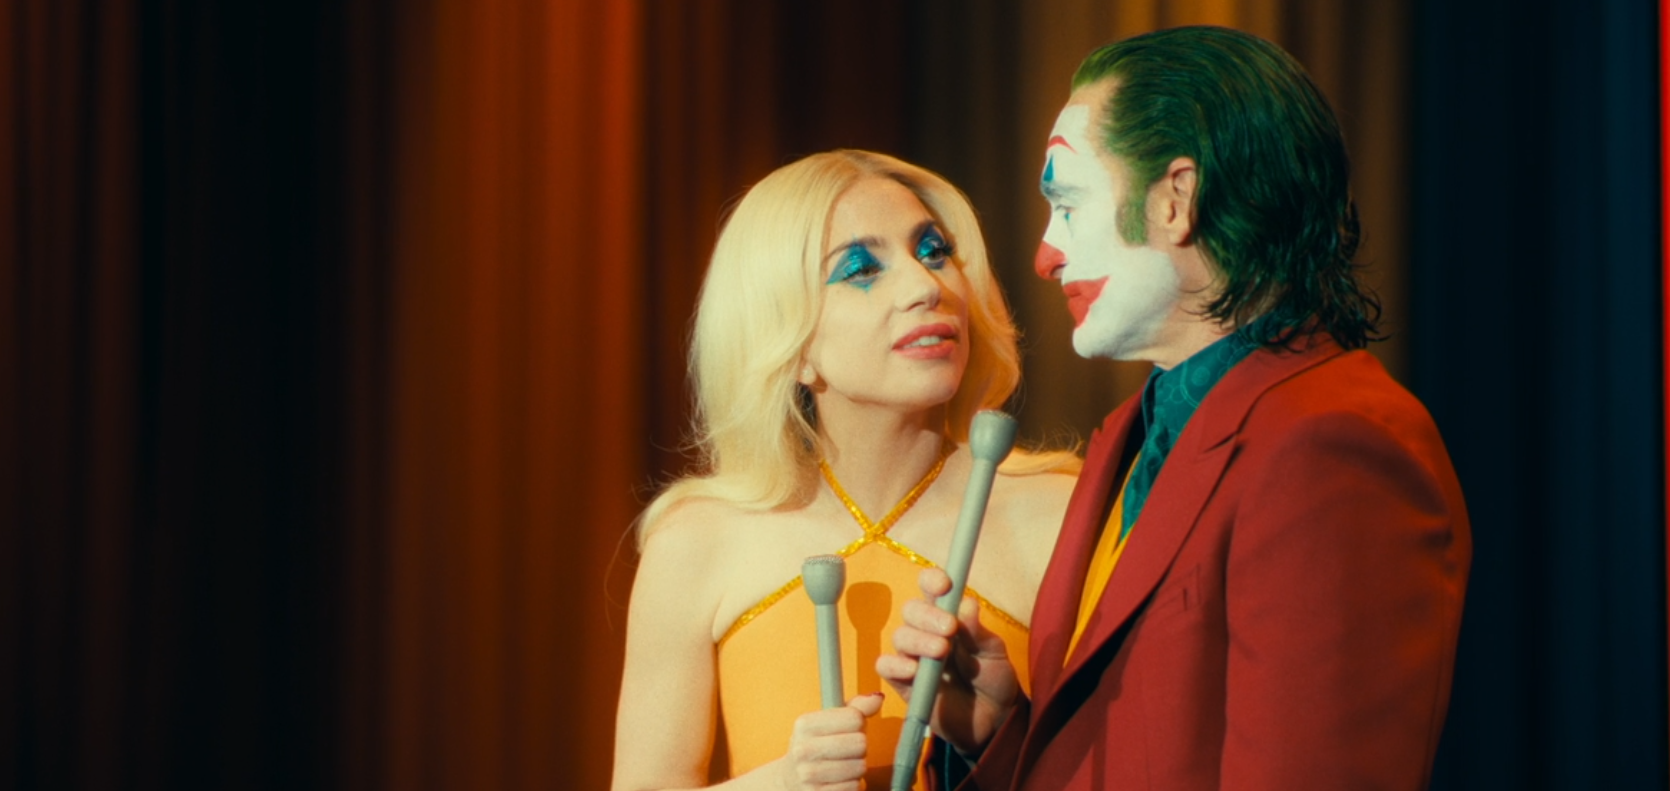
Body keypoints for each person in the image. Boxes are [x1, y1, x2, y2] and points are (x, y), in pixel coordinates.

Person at [879, 26, 1472, 790]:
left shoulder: (1333, 443)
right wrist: (1000, 730)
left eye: (1068, 204)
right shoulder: (1128, 435)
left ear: (1176, 198)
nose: (1045, 254)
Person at [610, 150, 1080, 791]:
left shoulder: (1064, 512)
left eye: (934, 251)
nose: (927, 287)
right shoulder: (696, 542)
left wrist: (1001, 737)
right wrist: (783, 783)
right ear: (790, 342)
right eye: (861, 269)